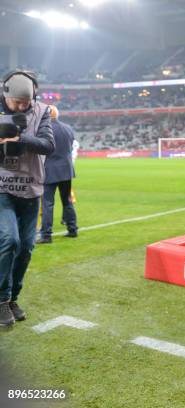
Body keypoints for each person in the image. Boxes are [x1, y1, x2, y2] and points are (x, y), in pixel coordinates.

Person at [0, 71, 54, 328]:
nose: (22, 106)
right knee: (10, 239)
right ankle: (0, 300)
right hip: (2, 190)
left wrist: (20, 138)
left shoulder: (42, 110)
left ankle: (12, 298)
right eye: (17, 102)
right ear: (5, 94)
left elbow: (47, 145)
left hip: (31, 191)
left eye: (26, 102)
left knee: (26, 249)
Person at [38, 105, 78, 244]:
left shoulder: (44, 129)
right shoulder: (68, 128)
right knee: (67, 201)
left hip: (50, 170)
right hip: (66, 170)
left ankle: (46, 235)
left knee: (47, 203)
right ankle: (73, 229)